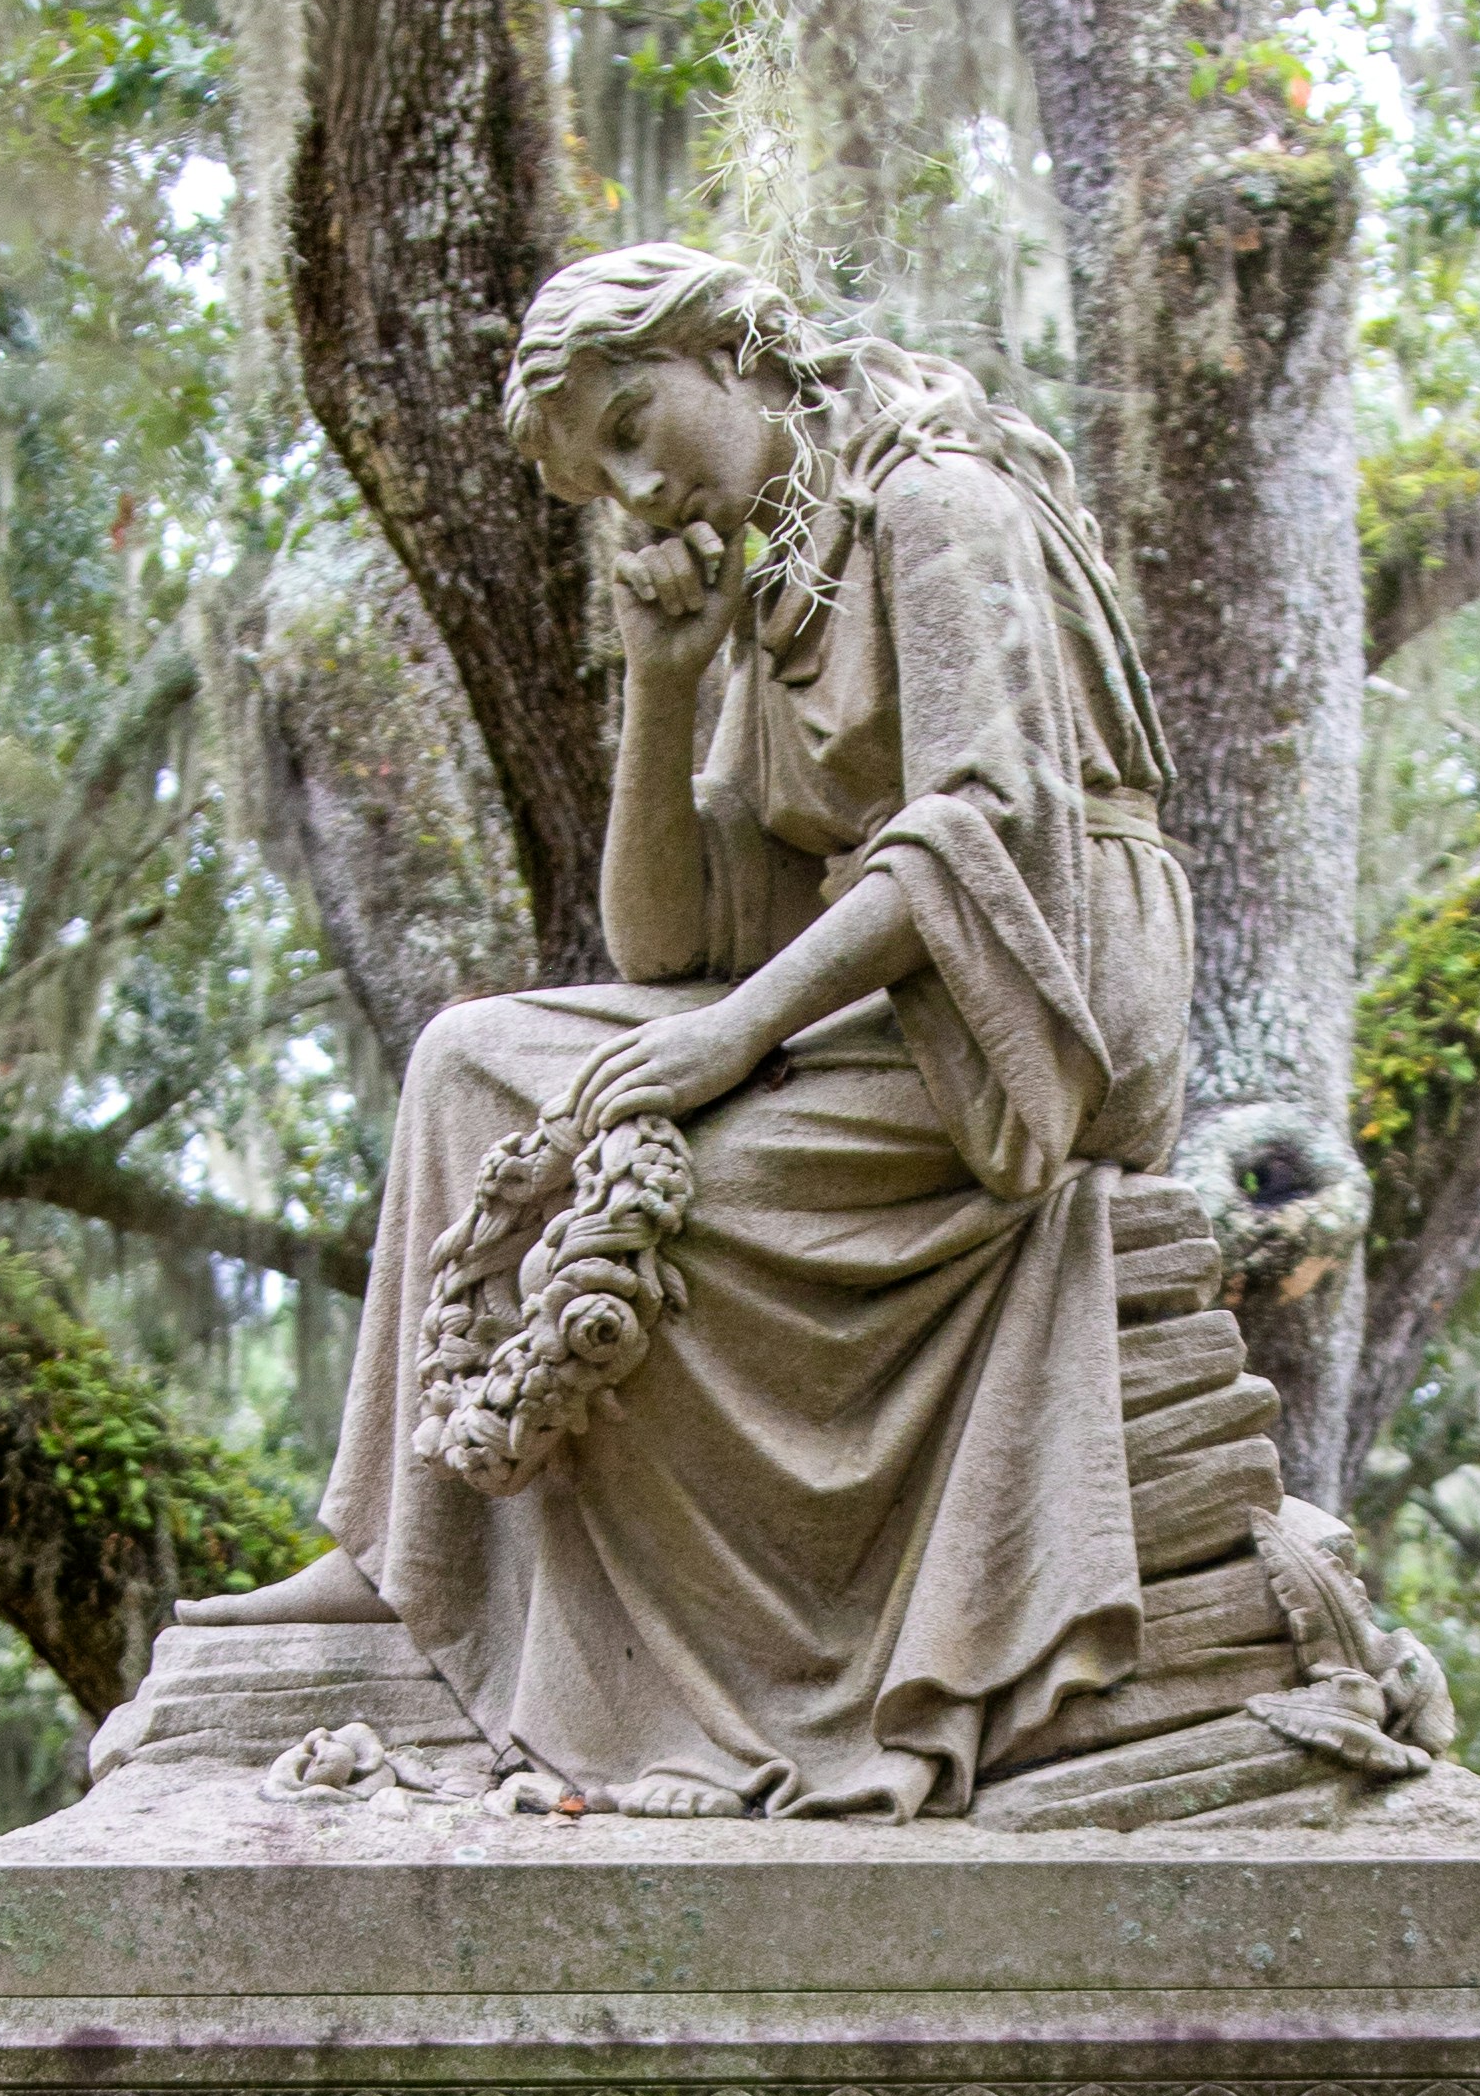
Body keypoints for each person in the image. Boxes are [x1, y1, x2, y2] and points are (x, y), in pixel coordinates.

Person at [202, 245, 1193, 1819]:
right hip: (883, 997)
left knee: (668, 1195)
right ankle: (401, 1549)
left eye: (634, 422)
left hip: (1038, 1010)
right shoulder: (771, 585)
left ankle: (717, 1664)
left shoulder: (935, 507)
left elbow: (985, 827)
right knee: (471, 1059)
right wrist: (663, 691)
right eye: (593, 471)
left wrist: (734, 1040)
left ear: (736, 354)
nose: (631, 486)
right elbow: (673, 945)